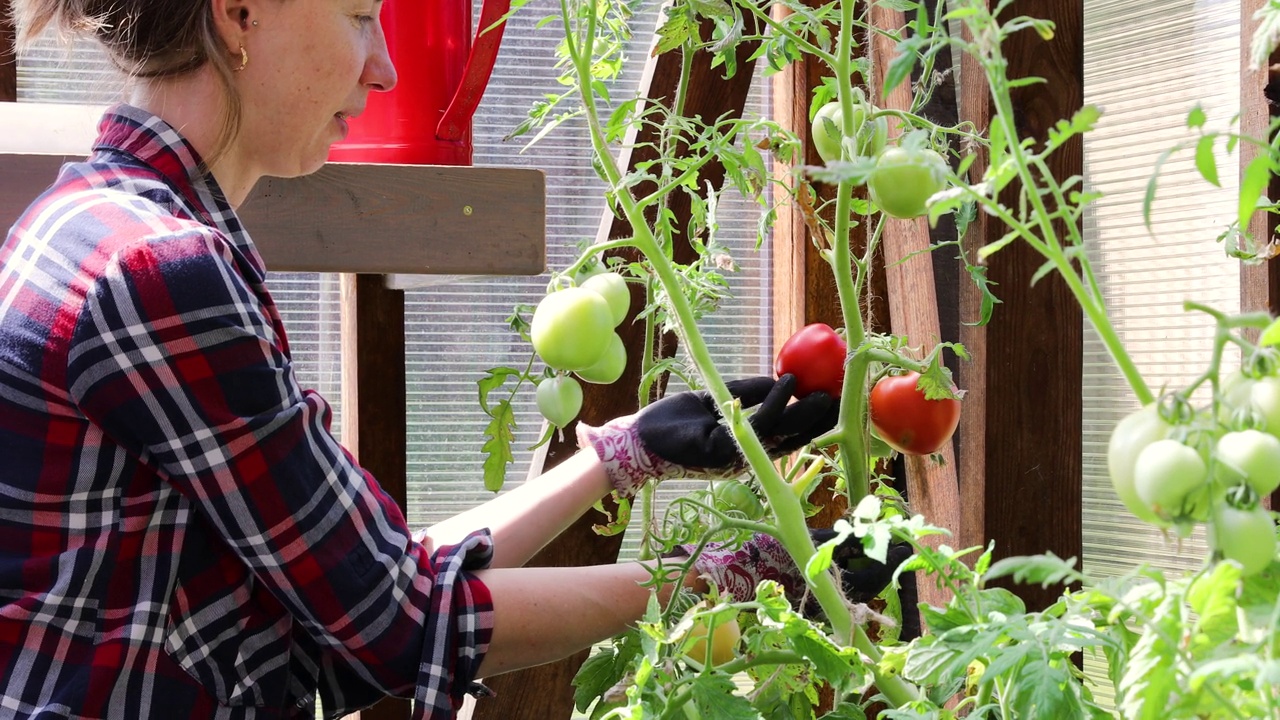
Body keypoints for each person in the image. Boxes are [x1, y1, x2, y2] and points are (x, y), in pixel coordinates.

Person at [0, 0, 907, 717]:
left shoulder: (90, 220)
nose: (385, 66)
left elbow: (359, 584)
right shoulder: (165, 275)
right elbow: (399, 623)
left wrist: (621, 455)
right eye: (359, 16)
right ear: (241, 16)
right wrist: (741, 575)